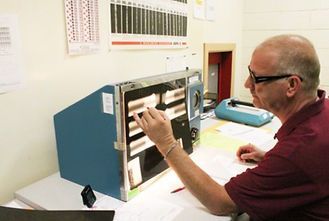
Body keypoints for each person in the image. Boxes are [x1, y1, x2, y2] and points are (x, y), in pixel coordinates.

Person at [133, 34, 329, 220]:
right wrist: (270, 159)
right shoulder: (322, 111)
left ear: (292, 85)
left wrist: (166, 142)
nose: (246, 84)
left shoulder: (298, 152)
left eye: (256, 78)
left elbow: (221, 202)